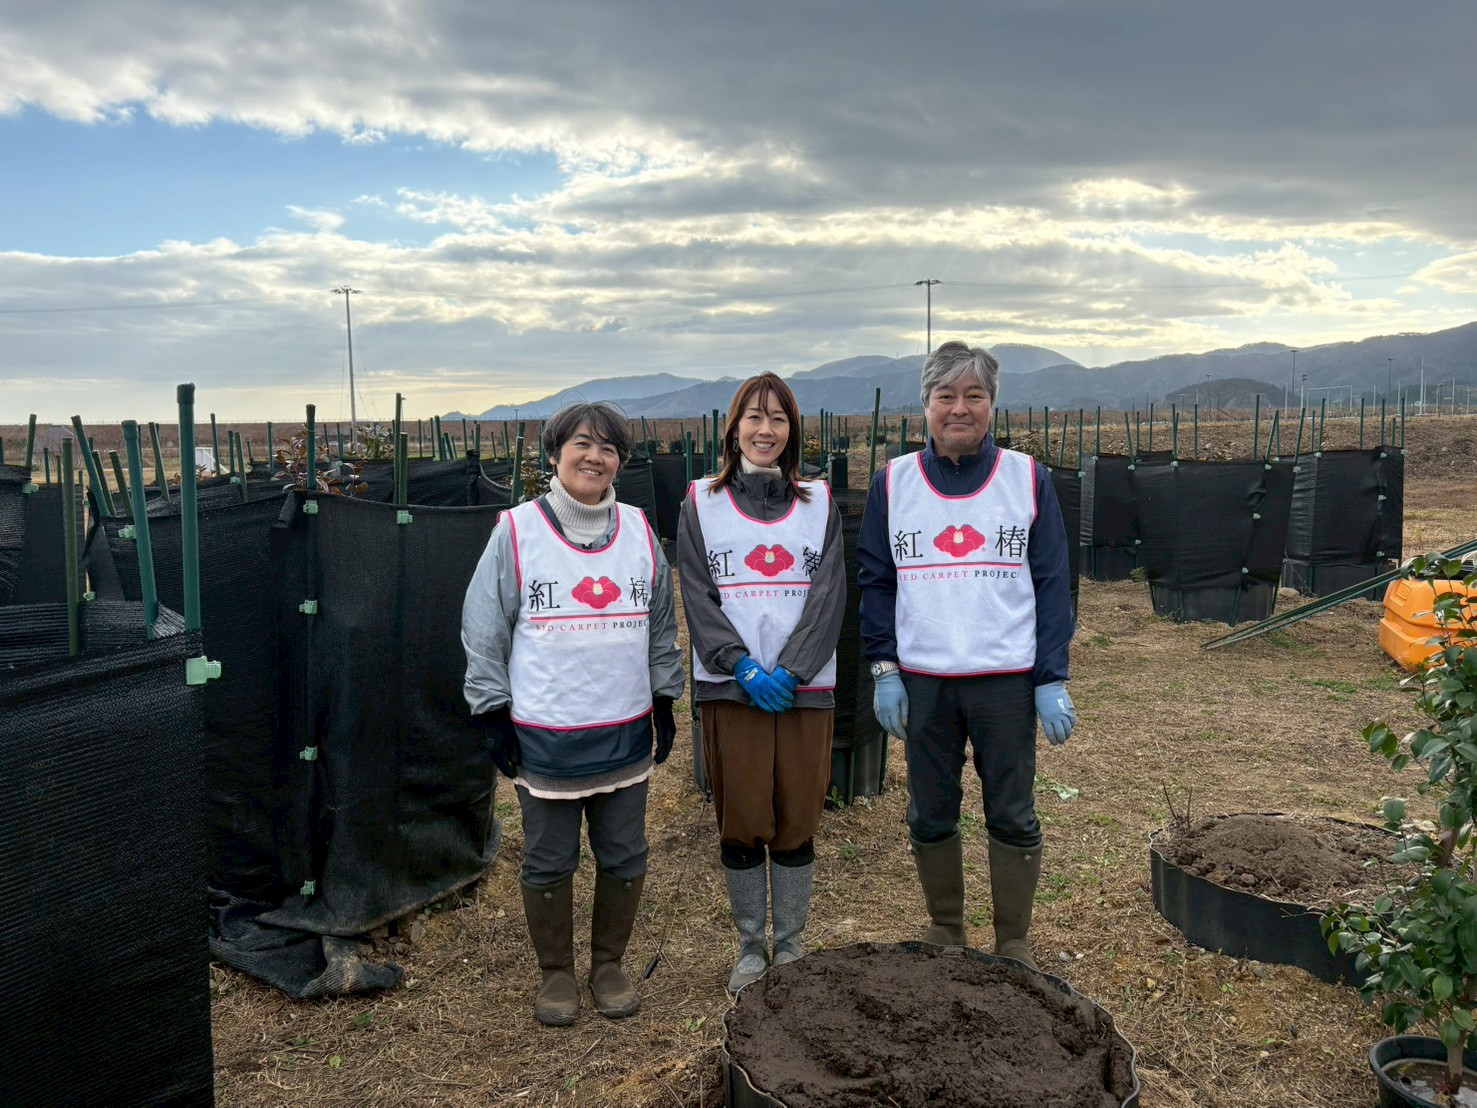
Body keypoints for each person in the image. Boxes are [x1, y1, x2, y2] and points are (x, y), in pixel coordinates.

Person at [856, 341, 1077, 970]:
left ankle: (1013, 940)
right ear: (925, 404)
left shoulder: (1025, 478)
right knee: (930, 810)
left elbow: (1051, 582)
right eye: (946, 395)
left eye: (974, 395)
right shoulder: (894, 485)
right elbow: (877, 583)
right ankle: (946, 928)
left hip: (1005, 682)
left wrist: (1050, 676)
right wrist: (884, 670)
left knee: (1011, 810)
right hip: (923, 682)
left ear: (992, 404)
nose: (960, 408)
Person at [462, 401, 684, 1026]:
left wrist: (664, 697)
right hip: (547, 736)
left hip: (622, 730)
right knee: (550, 858)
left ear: (621, 460)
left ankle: (608, 964)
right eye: (582, 443)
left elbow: (662, 624)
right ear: (554, 453)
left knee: (624, 851)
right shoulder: (517, 530)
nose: (595, 456)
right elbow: (483, 627)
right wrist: (491, 711)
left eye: (609, 447)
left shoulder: (641, 530)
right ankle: (556, 974)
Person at [678, 372, 847, 992]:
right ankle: (752, 946)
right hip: (733, 690)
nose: (766, 429)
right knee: (743, 815)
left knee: (797, 815)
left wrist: (795, 668)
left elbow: (829, 594)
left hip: (803, 691)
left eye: (778, 418)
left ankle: (793, 944)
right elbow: (696, 591)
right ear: (734, 428)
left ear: (792, 431)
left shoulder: (819, 502)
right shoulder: (700, 501)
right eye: (754, 416)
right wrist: (740, 664)